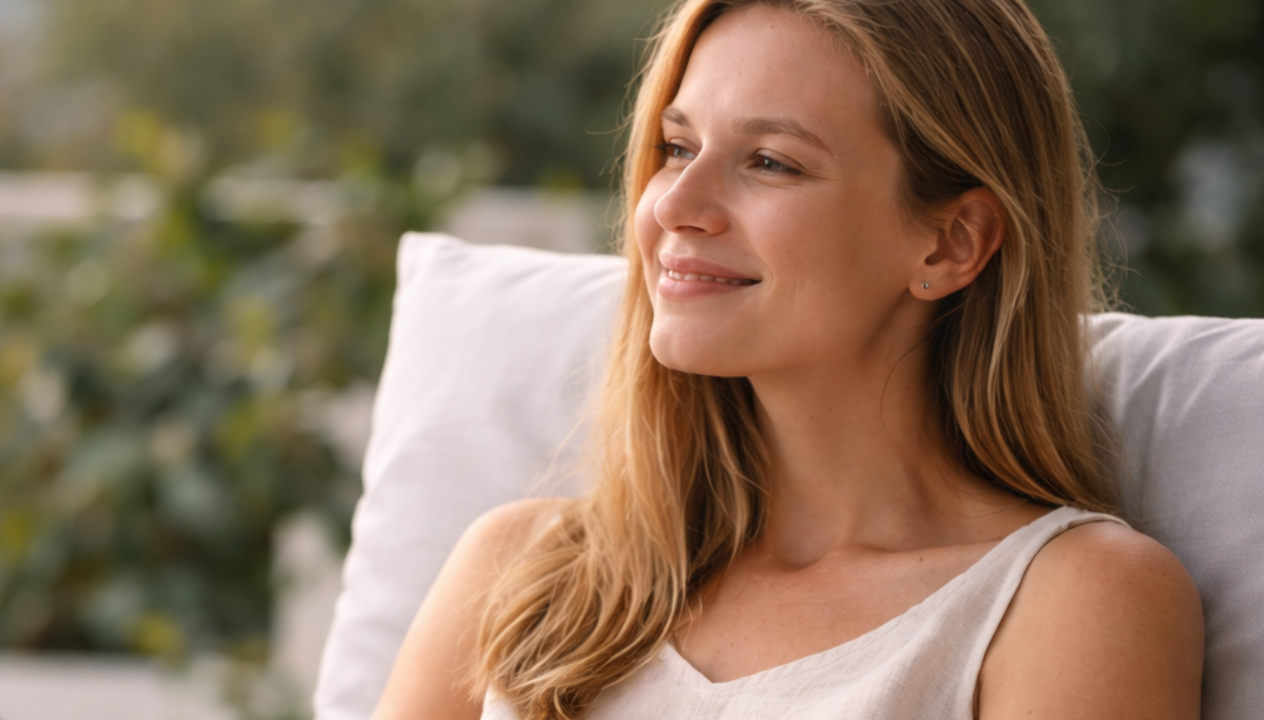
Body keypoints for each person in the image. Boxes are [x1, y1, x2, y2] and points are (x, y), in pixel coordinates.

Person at [374, 0, 1205, 717]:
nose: (676, 206)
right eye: (674, 147)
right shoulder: (525, 570)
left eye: (770, 162)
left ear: (953, 242)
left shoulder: (1068, 602)